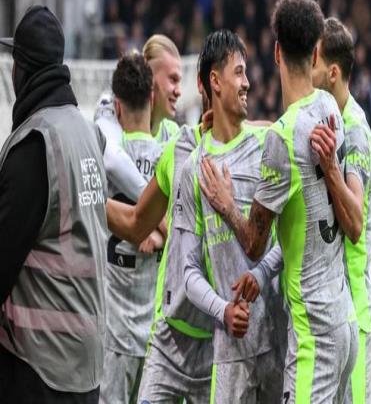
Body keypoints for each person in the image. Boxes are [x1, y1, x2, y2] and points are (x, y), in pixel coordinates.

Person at [199, 0, 356, 403]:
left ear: (276, 52)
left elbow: (255, 243)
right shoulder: (329, 107)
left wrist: (226, 204)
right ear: (317, 51)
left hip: (314, 332)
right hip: (345, 321)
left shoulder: (281, 139)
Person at [0, 5, 108, 403]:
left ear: (22, 70)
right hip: (85, 366)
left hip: (40, 366)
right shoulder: (87, 134)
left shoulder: (36, 144)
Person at [176, 29, 284, 404]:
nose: (248, 82)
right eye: (239, 72)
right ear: (215, 81)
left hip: (279, 342)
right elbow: (188, 271)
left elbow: (292, 239)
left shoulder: (267, 145)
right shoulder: (192, 169)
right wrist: (223, 311)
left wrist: (261, 272)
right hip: (228, 353)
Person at [105, 76, 214, 402]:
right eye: (172, 78)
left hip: (129, 330)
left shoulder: (110, 146)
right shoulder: (175, 149)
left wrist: (88, 195)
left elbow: (137, 222)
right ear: (151, 92)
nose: (178, 89)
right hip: (165, 332)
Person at [310, 16, 371, 404]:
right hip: (336, 311)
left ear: (333, 73)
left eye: (315, 62)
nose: (309, 70)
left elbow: (355, 222)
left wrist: (330, 169)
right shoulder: (328, 119)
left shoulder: (353, 129)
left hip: (356, 309)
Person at [99, 53, 164, 404]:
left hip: (113, 332)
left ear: (117, 107)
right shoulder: (168, 157)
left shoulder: (105, 157)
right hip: (156, 335)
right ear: (152, 98)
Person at [95, 34, 182, 202]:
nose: (179, 91)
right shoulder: (111, 106)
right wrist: (150, 210)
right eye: (173, 79)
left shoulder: (174, 135)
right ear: (150, 79)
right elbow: (111, 159)